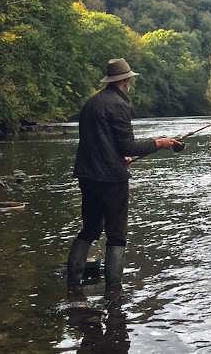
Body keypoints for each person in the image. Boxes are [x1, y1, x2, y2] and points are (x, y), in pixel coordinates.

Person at [66, 58, 183, 295]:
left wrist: (119, 157)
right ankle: (114, 292)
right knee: (116, 234)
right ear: (126, 80)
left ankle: (73, 283)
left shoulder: (91, 103)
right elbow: (127, 145)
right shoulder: (119, 105)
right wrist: (159, 143)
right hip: (111, 179)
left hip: (88, 176)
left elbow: (101, 143)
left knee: (89, 229)